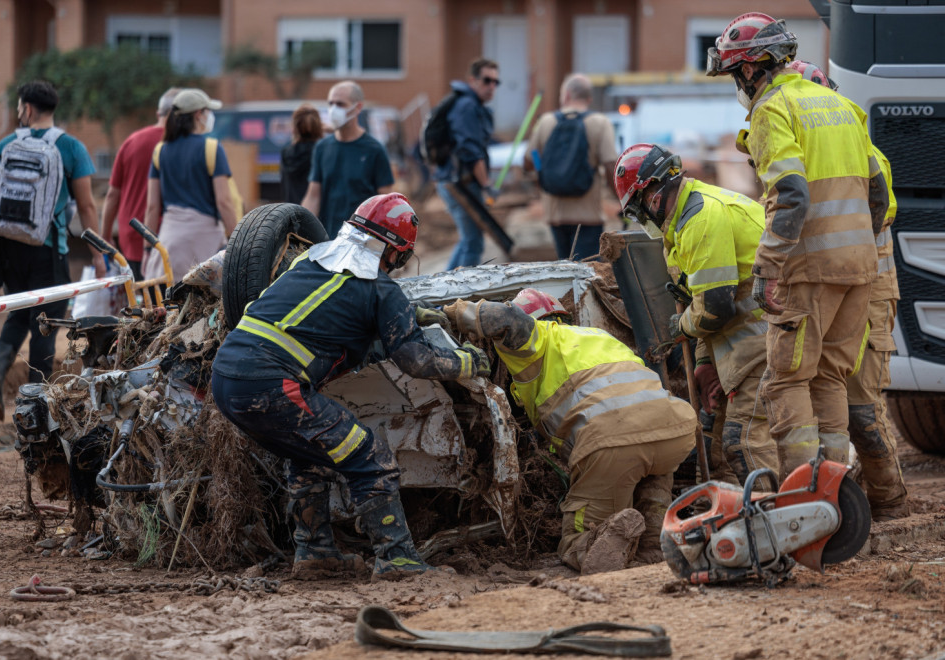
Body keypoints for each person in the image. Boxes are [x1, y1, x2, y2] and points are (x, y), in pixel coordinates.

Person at [211, 193, 490, 581]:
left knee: (308, 456)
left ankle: (315, 553)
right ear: (395, 251)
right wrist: (470, 362)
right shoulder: (379, 288)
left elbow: (325, 318)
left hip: (225, 378)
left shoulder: (310, 261)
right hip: (273, 385)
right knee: (370, 456)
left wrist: (406, 314)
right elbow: (416, 360)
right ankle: (398, 560)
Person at [707, 13, 889, 478]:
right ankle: (835, 489)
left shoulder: (773, 109)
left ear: (750, 68)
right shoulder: (841, 107)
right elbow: (878, 193)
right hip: (860, 270)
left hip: (808, 273)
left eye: (734, 73)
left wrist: (768, 268)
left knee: (786, 382)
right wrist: (858, 250)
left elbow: (789, 193)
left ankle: (803, 495)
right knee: (830, 378)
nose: (738, 84)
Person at [440, 289, 696, 573]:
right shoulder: (597, 337)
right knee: (649, 471)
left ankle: (592, 546)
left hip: (613, 439)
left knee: (577, 536)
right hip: (675, 427)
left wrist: (452, 313)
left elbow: (506, 319)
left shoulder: (538, 339)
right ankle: (654, 544)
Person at [786, 60, 908, 520]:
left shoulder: (867, 156)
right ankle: (835, 497)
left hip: (870, 287)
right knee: (819, 390)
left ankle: (888, 500)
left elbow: (879, 209)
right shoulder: (804, 159)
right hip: (832, 283)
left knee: (860, 407)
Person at [613, 143, 777, 485]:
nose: (641, 221)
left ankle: (775, 523)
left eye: (637, 212)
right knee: (709, 434)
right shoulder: (683, 221)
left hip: (769, 341)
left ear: (652, 199)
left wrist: (682, 329)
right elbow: (698, 300)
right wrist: (704, 364)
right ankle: (732, 508)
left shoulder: (702, 219)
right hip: (745, 342)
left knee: (742, 441)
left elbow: (715, 307)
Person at [0, 80, 106, 421]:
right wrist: (97, 254)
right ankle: (34, 403)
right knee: (46, 321)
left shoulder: (7, 143)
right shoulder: (71, 147)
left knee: (17, 312)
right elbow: (86, 206)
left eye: (20, 108)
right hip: (49, 247)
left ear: (29, 109)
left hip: (9, 248)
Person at [143, 88, 238, 285]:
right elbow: (224, 202)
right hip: (205, 246)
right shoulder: (211, 148)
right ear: (198, 114)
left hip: (169, 245)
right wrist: (239, 242)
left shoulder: (160, 151)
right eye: (207, 111)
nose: (209, 116)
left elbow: (152, 207)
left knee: (170, 310)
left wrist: (147, 249)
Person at [524, 74, 618, 260]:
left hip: (555, 214)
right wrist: (620, 199)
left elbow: (529, 158)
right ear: (589, 98)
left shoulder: (545, 121)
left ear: (566, 95)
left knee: (564, 271)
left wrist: (541, 173)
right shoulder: (600, 123)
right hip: (588, 216)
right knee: (588, 274)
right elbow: (610, 164)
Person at [100, 88, 180, 280]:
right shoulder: (181, 144)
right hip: (169, 239)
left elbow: (113, 194)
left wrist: (105, 236)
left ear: (158, 113)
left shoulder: (132, 142)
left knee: (139, 304)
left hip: (132, 237)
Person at [301, 82, 394, 238]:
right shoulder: (322, 148)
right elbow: (313, 196)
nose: (334, 109)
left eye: (340, 104)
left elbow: (386, 204)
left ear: (357, 108)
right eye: (331, 104)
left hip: (360, 243)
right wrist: (300, 227)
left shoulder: (374, 150)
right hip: (327, 241)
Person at [435, 58, 499, 269]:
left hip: (455, 181)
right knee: (473, 241)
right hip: (459, 184)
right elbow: (471, 151)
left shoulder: (470, 105)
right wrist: (487, 186)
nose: (491, 86)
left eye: (495, 82)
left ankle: (442, 292)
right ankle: (458, 295)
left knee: (467, 239)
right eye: (487, 80)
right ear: (473, 80)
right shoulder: (467, 107)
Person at [281, 104, 324, 205]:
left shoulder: (286, 153)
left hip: (291, 212)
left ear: (294, 128)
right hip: (316, 215)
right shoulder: (322, 152)